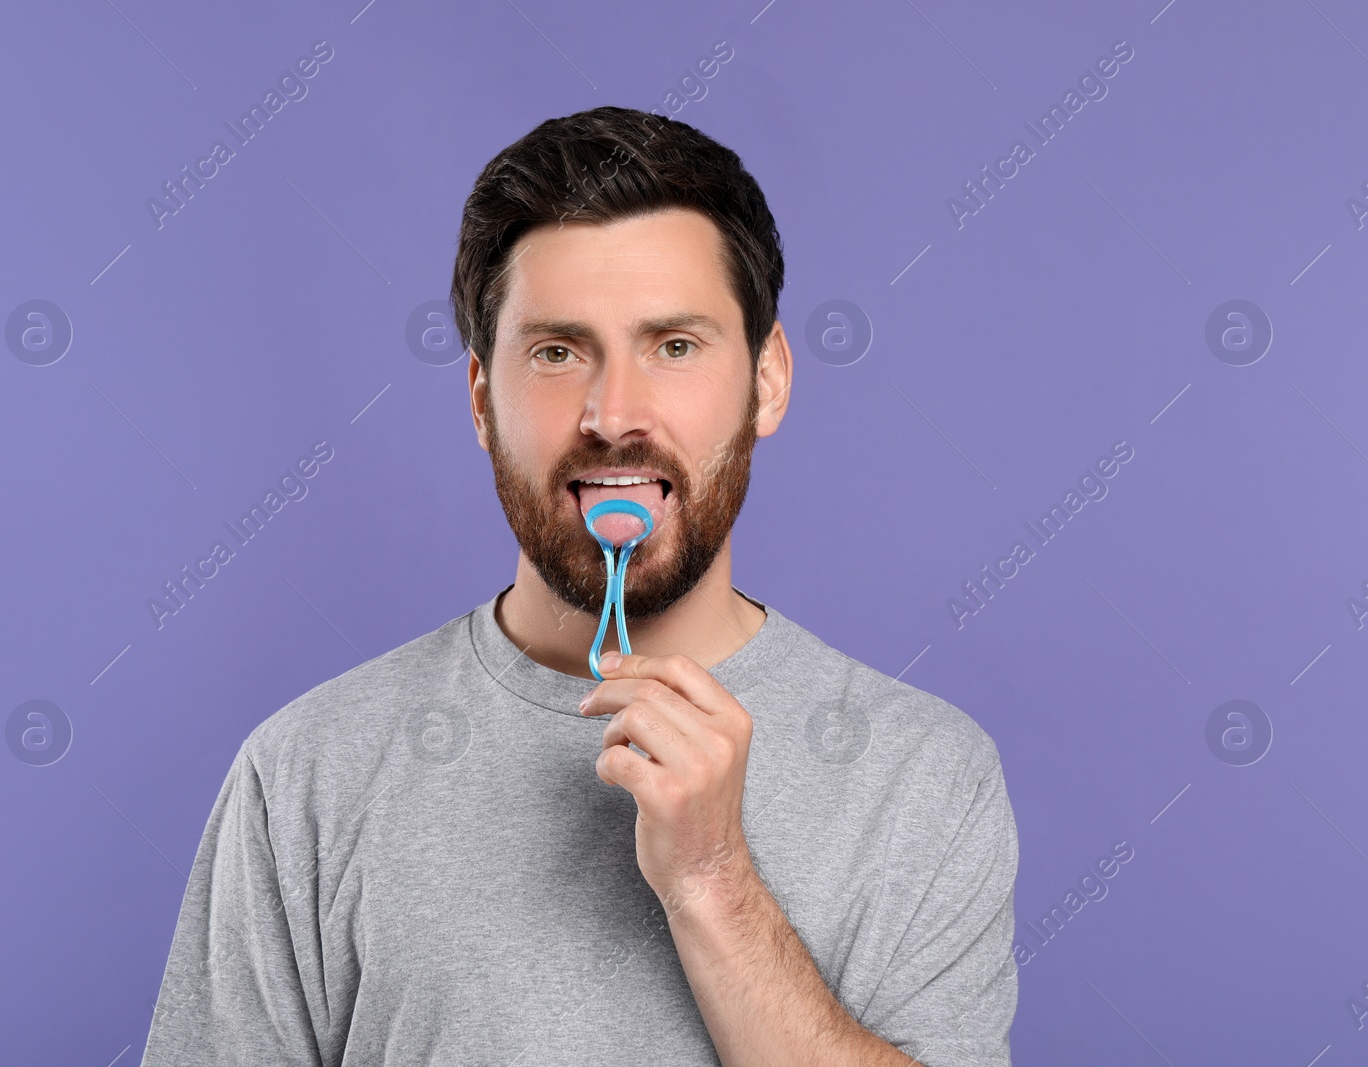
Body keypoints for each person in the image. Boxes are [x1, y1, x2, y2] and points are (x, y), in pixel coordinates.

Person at [140, 105, 1018, 1067]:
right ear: (482, 399)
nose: (613, 414)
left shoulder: (925, 776)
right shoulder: (304, 775)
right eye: (557, 352)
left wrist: (714, 882)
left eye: (674, 346)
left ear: (766, 381)